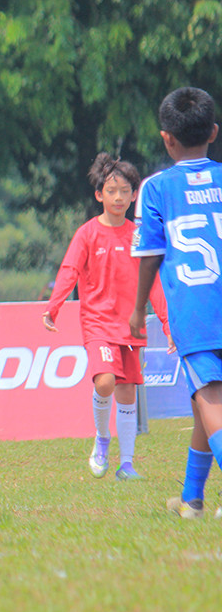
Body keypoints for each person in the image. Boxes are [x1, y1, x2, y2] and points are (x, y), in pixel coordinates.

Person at [43, 153, 172, 481]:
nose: (118, 197)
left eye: (125, 191)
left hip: (131, 324)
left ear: (134, 196)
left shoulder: (139, 235)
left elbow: (153, 282)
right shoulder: (87, 234)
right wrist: (54, 306)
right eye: (111, 190)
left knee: (128, 392)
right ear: (99, 194)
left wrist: (168, 324)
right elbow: (70, 269)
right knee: (105, 381)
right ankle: (102, 440)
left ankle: (126, 464)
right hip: (98, 323)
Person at [130, 86, 222, 518]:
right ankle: (191, 498)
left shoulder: (156, 187)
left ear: (166, 138)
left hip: (197, 311)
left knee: (210, 395)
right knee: (200, 402)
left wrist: (137, 311)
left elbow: (149, 254)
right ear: (214, 132)